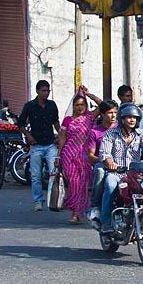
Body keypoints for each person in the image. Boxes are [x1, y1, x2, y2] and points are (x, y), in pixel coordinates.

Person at [98, 103, 143, 234]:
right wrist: (111, 163)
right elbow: (105, 154)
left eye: (134, 118)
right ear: (122, 119)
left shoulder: (141, 134)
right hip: (116, 173)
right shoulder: (110, 134)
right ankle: (106, 222)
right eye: (128, 117)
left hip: (134, 174)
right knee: (111, 185)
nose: (132, 120)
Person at [57, 86, 103, 223]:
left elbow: (102, 104)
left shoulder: (90, 117)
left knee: (83, 184)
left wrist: (89, 94)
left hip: (85, 155)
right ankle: (74, 211)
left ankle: (77, 213)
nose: (79, 107)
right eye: (77, 105)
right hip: (68, 155)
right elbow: (62, 138)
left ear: (86, 105)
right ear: (73, 106)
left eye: (82, 104)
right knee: (73, 182)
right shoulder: (68, 120)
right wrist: (58, 156)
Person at [18, 80, 60, 211]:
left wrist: (60, 135)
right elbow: (20, 124)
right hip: (36, 145)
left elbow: (55, 122)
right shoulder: (29, 106)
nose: (46, 93)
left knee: (54, 172)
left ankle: (54, 200)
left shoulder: (52, 105)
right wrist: (29, 136)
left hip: (50, 144)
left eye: (48, 91)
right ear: (37, 91)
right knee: (36, 175)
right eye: (43, 91)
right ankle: (38, 200)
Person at [85, 99, 118, 221]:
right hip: (102, 164)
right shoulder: (95, 132)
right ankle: (95, 205)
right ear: (102, 114)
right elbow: (90, 156)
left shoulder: (122, 129)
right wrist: (105, 161)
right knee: (100, 172)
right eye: (110, 113)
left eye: (115, 112)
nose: (113, 115)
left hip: (122, 164)